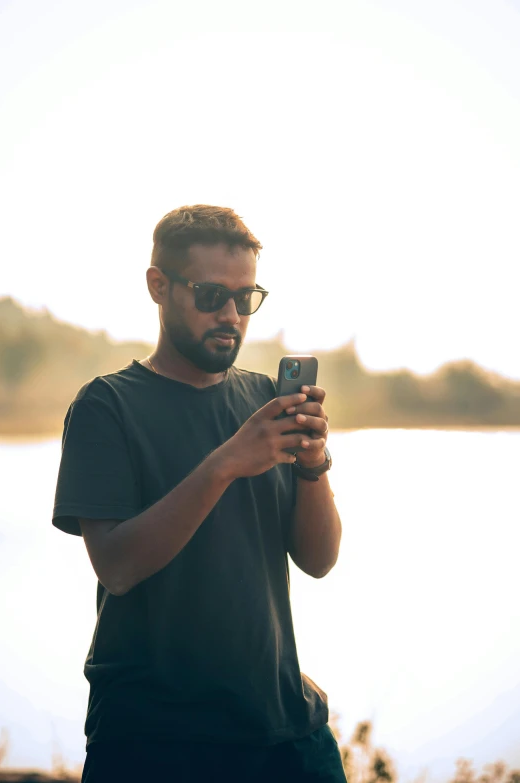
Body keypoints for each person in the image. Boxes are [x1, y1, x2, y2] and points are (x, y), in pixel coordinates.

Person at [52, 204, 345, 782]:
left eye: (246, 297)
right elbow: (116, 567)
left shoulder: (264, 399)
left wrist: (312, 465)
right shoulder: (106, 407)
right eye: (211, 295)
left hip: (288, 736)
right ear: (158, 287)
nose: (232, 315)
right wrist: (228, 462)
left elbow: (319, 561)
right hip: (157, 743)